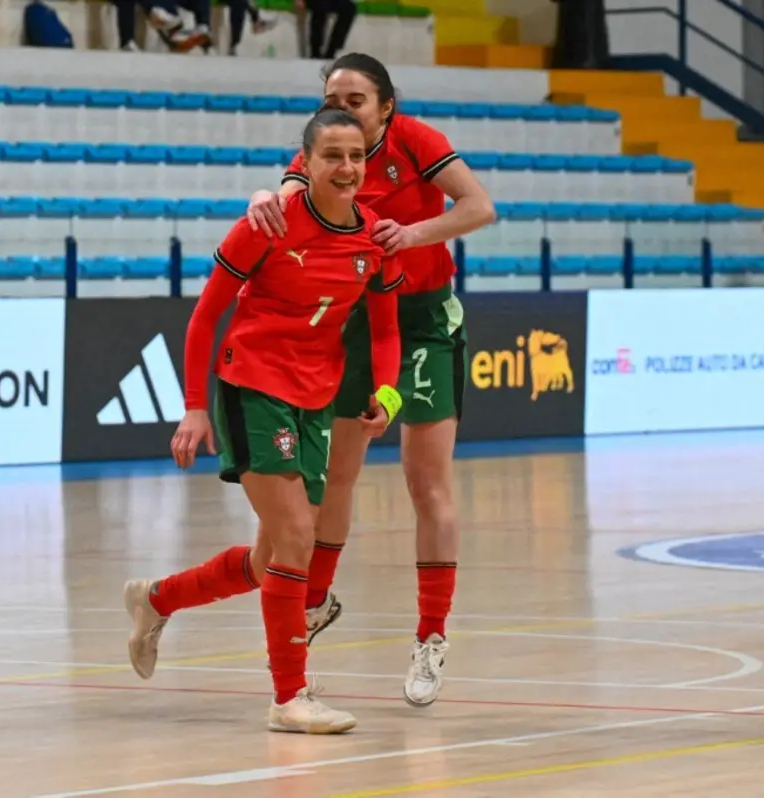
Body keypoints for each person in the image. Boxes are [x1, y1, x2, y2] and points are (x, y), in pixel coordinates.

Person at [122, 107, 406, 734]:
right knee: (299, 537)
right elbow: (205, 316)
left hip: (316, 398)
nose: (347, 167)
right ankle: (289, 697)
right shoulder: (267, 224)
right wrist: (195, 406)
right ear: (304, 163)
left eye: (356, 156)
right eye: (332, 155)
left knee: (270, 558)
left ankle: (155, 598)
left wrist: (388, 394)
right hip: (251, 384)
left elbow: (385, 332)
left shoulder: (375, 241)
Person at [245, 52, 496, 708]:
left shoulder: (416, 141)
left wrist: (412, 234)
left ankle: (431, 635)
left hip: (423, 318)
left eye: (356, 98)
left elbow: (479, 208)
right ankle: (315, 603)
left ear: (385, 105)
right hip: (361, 315)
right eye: (334, 96)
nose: (343, 106)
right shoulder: (323, 152)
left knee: (425, 478)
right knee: (337, 472)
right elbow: (291, 194)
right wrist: (267, 197)